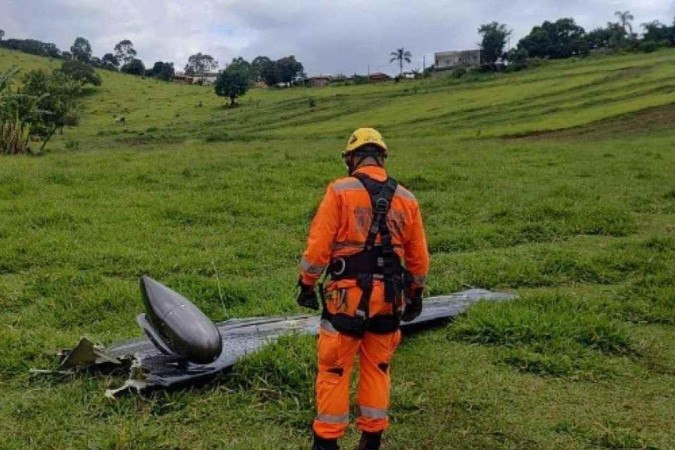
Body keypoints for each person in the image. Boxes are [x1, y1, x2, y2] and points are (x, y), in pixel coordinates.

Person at [297, 128, 429, 450]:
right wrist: (415, 294)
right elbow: (418, 258)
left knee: (334, 369)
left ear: (351, 159)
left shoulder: (339, 191)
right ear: (382, 158)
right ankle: (371, 439)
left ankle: (326, 443)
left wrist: (306, 285)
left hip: (346, 298)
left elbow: (318, 247)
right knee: (377, 367)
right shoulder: (407, 199)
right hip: (388, 300)